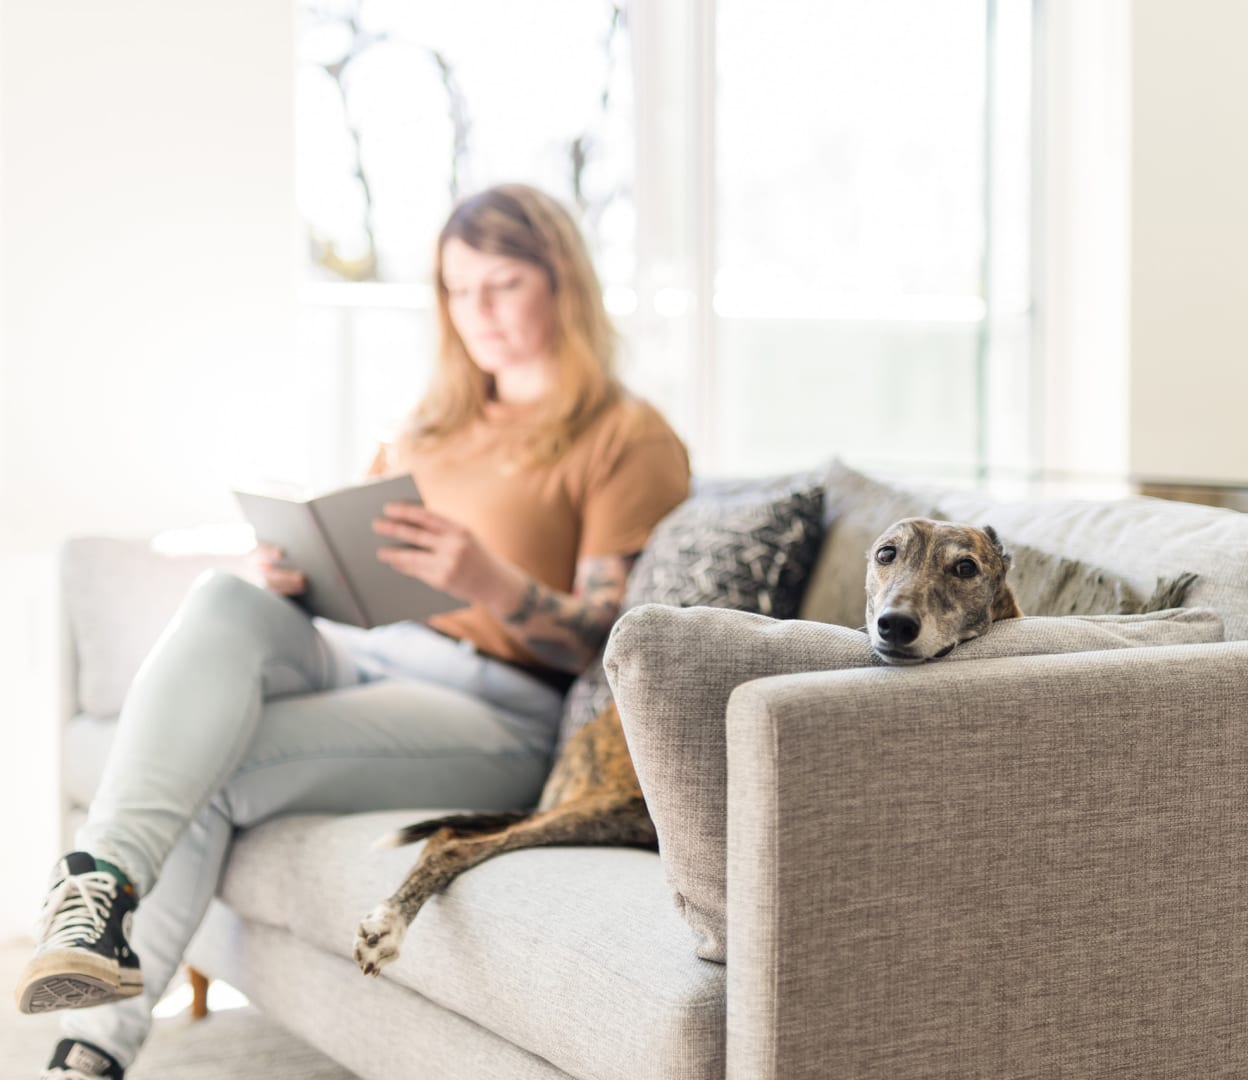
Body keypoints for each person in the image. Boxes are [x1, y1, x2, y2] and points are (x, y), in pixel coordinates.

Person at [17, 183, 691, 1080]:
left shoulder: (625, 435)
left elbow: (606, 643)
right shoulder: (430, 422)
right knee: (228, 601)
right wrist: (300, 578)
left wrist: (485, 579)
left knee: (206, 764)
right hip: (367, 651)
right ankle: (96, 885)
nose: (477, 312)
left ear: (561, 283)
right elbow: (359, 565)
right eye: (458, 290)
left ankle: (90, 1050)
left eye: (502, 285)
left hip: (497, 709)